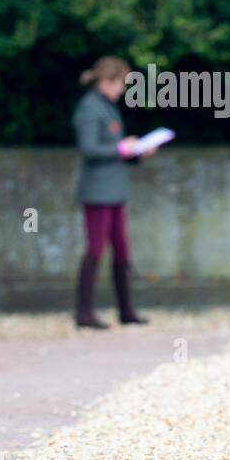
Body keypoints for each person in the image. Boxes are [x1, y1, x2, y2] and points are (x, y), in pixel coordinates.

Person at [72, 56, 153, 329]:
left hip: (115, 190)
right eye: (120, 83)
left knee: (122, 250)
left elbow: (116, 150)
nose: (122, 90)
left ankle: (126, 310)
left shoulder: (108, 108)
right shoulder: (89, 109)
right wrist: (122, 149)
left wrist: (137, 153)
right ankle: (84, 313)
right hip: (97, 192)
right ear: (107, 81)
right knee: (95, 249)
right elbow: (89, 148)